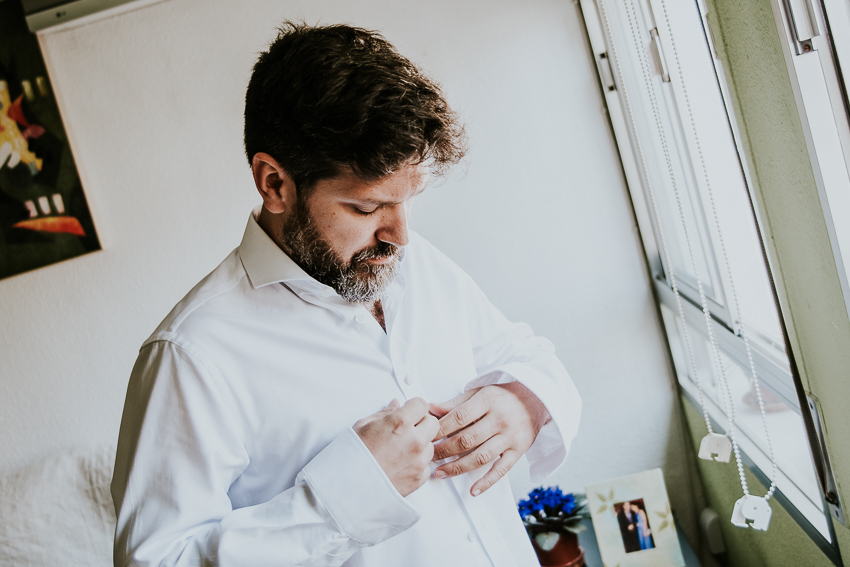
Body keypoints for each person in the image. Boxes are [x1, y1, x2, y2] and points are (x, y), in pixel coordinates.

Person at [111, 22, 581, 567]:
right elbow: (156, 560)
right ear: (275, 184)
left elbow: (524, 353)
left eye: (408, 201)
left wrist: (524, 401)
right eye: (365, 207)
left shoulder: (412, 262)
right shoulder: (192, 355)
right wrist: (350, 495)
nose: (400, 234)